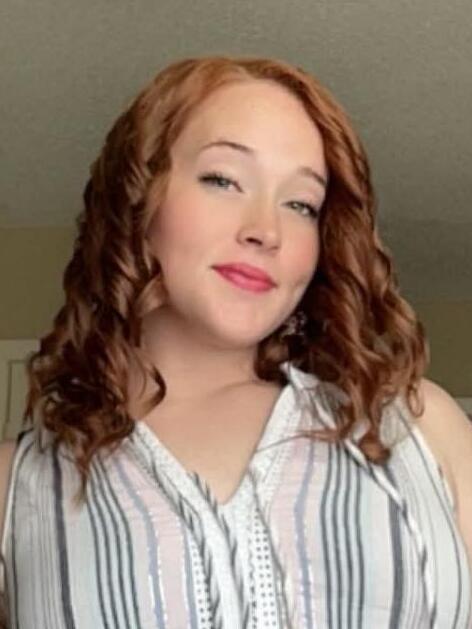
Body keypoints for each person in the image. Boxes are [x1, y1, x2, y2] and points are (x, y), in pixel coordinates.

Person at [0, 55, 471, 629]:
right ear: (136, 197)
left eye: (301, 204)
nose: (266, 230)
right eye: (223, 179)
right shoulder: (16, 490)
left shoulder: (420, 428)